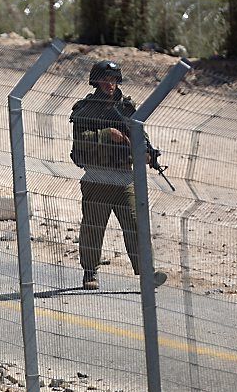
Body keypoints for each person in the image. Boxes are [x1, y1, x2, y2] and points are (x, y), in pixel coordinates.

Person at [70, 60, 168, 291]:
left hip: (124, 176)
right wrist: (107, 134)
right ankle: (89, 272)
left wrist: (146, 154)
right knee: (93, 226)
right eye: (105, 80)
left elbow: (140, 136)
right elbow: (80, 141)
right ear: (96, 82)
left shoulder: (126, 107)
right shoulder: (85, 109)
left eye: (113, 80)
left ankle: (146, 274)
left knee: (136, 224)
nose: (110, 85)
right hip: (97, 177)